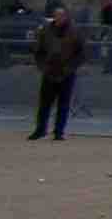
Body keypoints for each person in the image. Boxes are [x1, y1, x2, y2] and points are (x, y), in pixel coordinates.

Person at [29, 8, 85, 141]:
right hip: (49, 72)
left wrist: (70, 68)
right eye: (56, 16)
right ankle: (40, 129)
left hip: (66, 72)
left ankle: (59, 131)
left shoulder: (74, 32)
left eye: (61, 16)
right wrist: (43, 67)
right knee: (44, 104)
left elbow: (81, 54)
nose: (58, 18)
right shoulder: (46, 31)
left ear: (66, 17)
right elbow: (39, 50)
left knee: (63, 104)